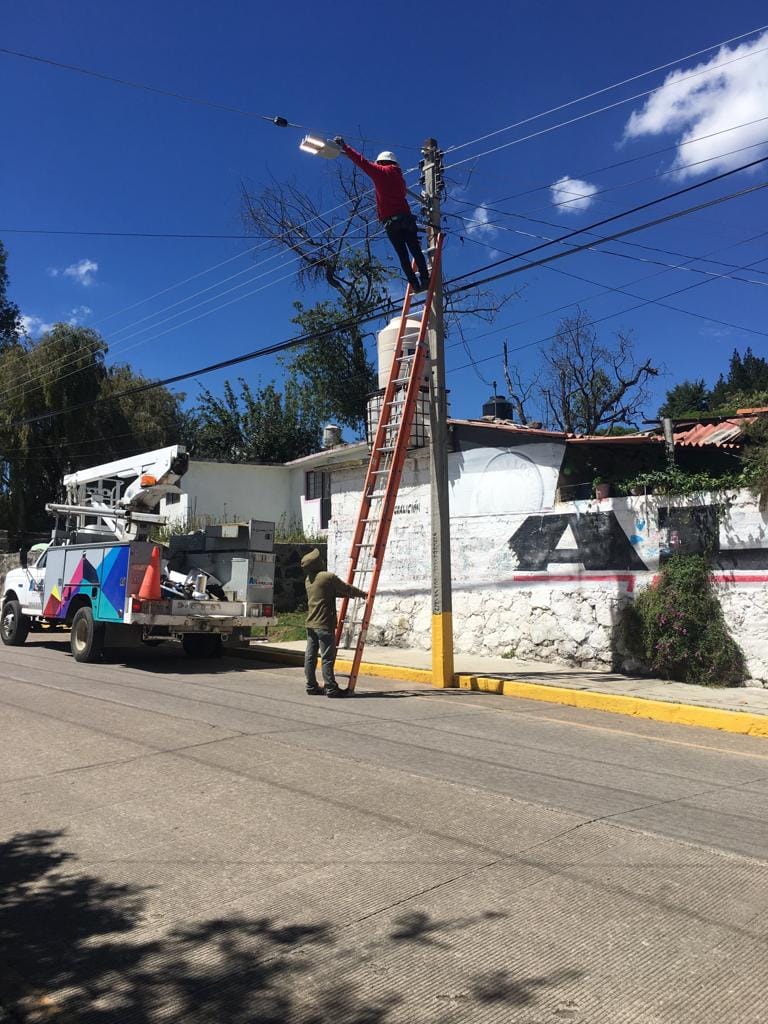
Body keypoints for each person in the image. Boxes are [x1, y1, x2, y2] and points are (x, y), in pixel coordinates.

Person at [334, 138, 430, 293]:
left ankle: (415, 285)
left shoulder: (380, 172)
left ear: (381, 163)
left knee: (403, 257)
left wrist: (345, 146)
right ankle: (425, 279)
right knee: (416, 252)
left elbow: (362, 162)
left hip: (391, 224)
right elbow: (402, 192)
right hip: (406, 219)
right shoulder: (400, 178)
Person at [300, 548, 367, 698]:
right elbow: (345, 588)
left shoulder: (309, 579)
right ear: (318, 563)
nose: (323, 561)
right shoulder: (327, 576)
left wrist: (346, 596)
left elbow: (328, 593)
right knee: (327, 658)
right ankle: (331, 688)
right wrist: (363, 594)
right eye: (320, 560)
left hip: (311, 623)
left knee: (310, 656)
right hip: (324, 624)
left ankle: (311, 686)